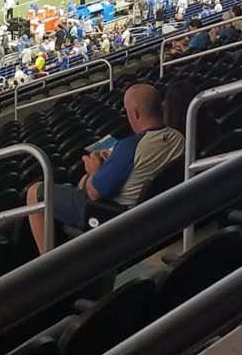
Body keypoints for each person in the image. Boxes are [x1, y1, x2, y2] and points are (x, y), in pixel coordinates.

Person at [25, 82, 184, 254]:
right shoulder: (178, 137)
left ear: (135, 113)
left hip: (115, 217)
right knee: (77, 185)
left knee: (35, 192)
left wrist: (94, 169)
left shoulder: (130, 147)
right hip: (157, 212)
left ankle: (47, 263)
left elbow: (93, 193)